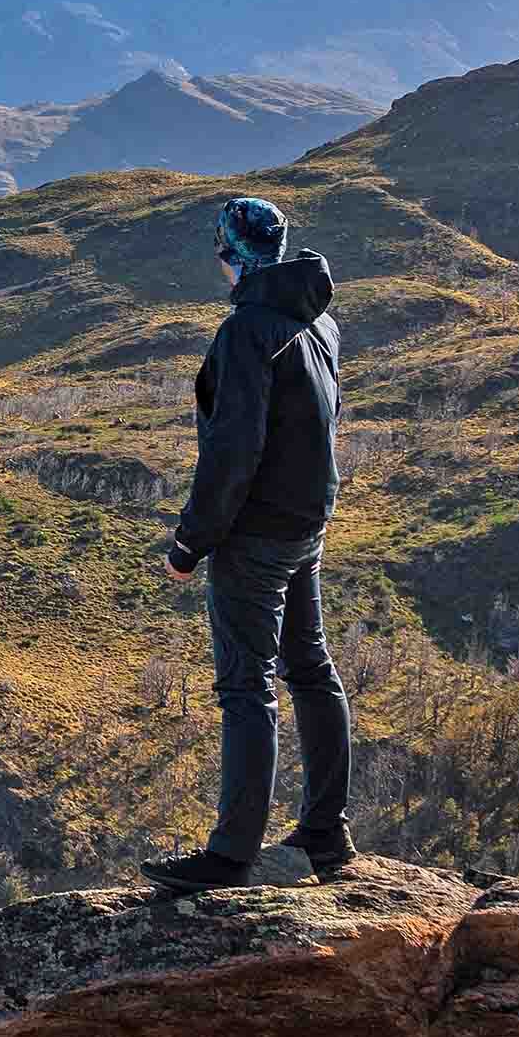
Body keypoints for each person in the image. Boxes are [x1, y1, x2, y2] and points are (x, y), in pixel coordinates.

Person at [142, 196, 355, 893]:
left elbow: (233, 452)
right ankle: (326, 830)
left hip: (257, 534)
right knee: (310, 666)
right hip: (306, 523)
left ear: (231, 255)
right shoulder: (316, 317)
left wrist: (189, 544)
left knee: (246, 683)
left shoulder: (247, 333)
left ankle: (232, 853)